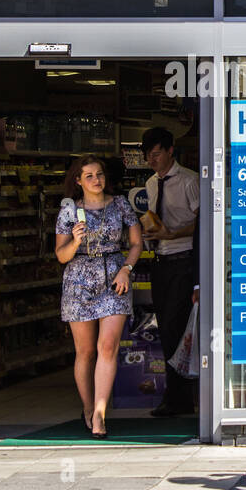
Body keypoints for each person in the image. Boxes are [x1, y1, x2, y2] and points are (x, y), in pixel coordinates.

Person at [56, 155, 143, 439]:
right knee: (85, 351)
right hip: (79, 280)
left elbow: (135, 243)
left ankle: (100, 414)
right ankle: (87, 406)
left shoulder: (120, 204)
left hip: (114, 276)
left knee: (108, 347)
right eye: (89, 175)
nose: (96, 180)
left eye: (100, 174)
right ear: (78, 180)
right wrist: (76, 240)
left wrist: (126, 269)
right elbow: (61, 255)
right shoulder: (69, 211)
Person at [140, 127, 201, 417]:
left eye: (156, 154)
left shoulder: (189, 181)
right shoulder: (151, 184)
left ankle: (179, 397)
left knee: (176, 327)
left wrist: (173, 233)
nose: (152, 160)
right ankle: (176, 395)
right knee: (165, 326)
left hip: (183, 259)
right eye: (148, 156)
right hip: (160, 260)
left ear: (169, 151)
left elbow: (202, 223)